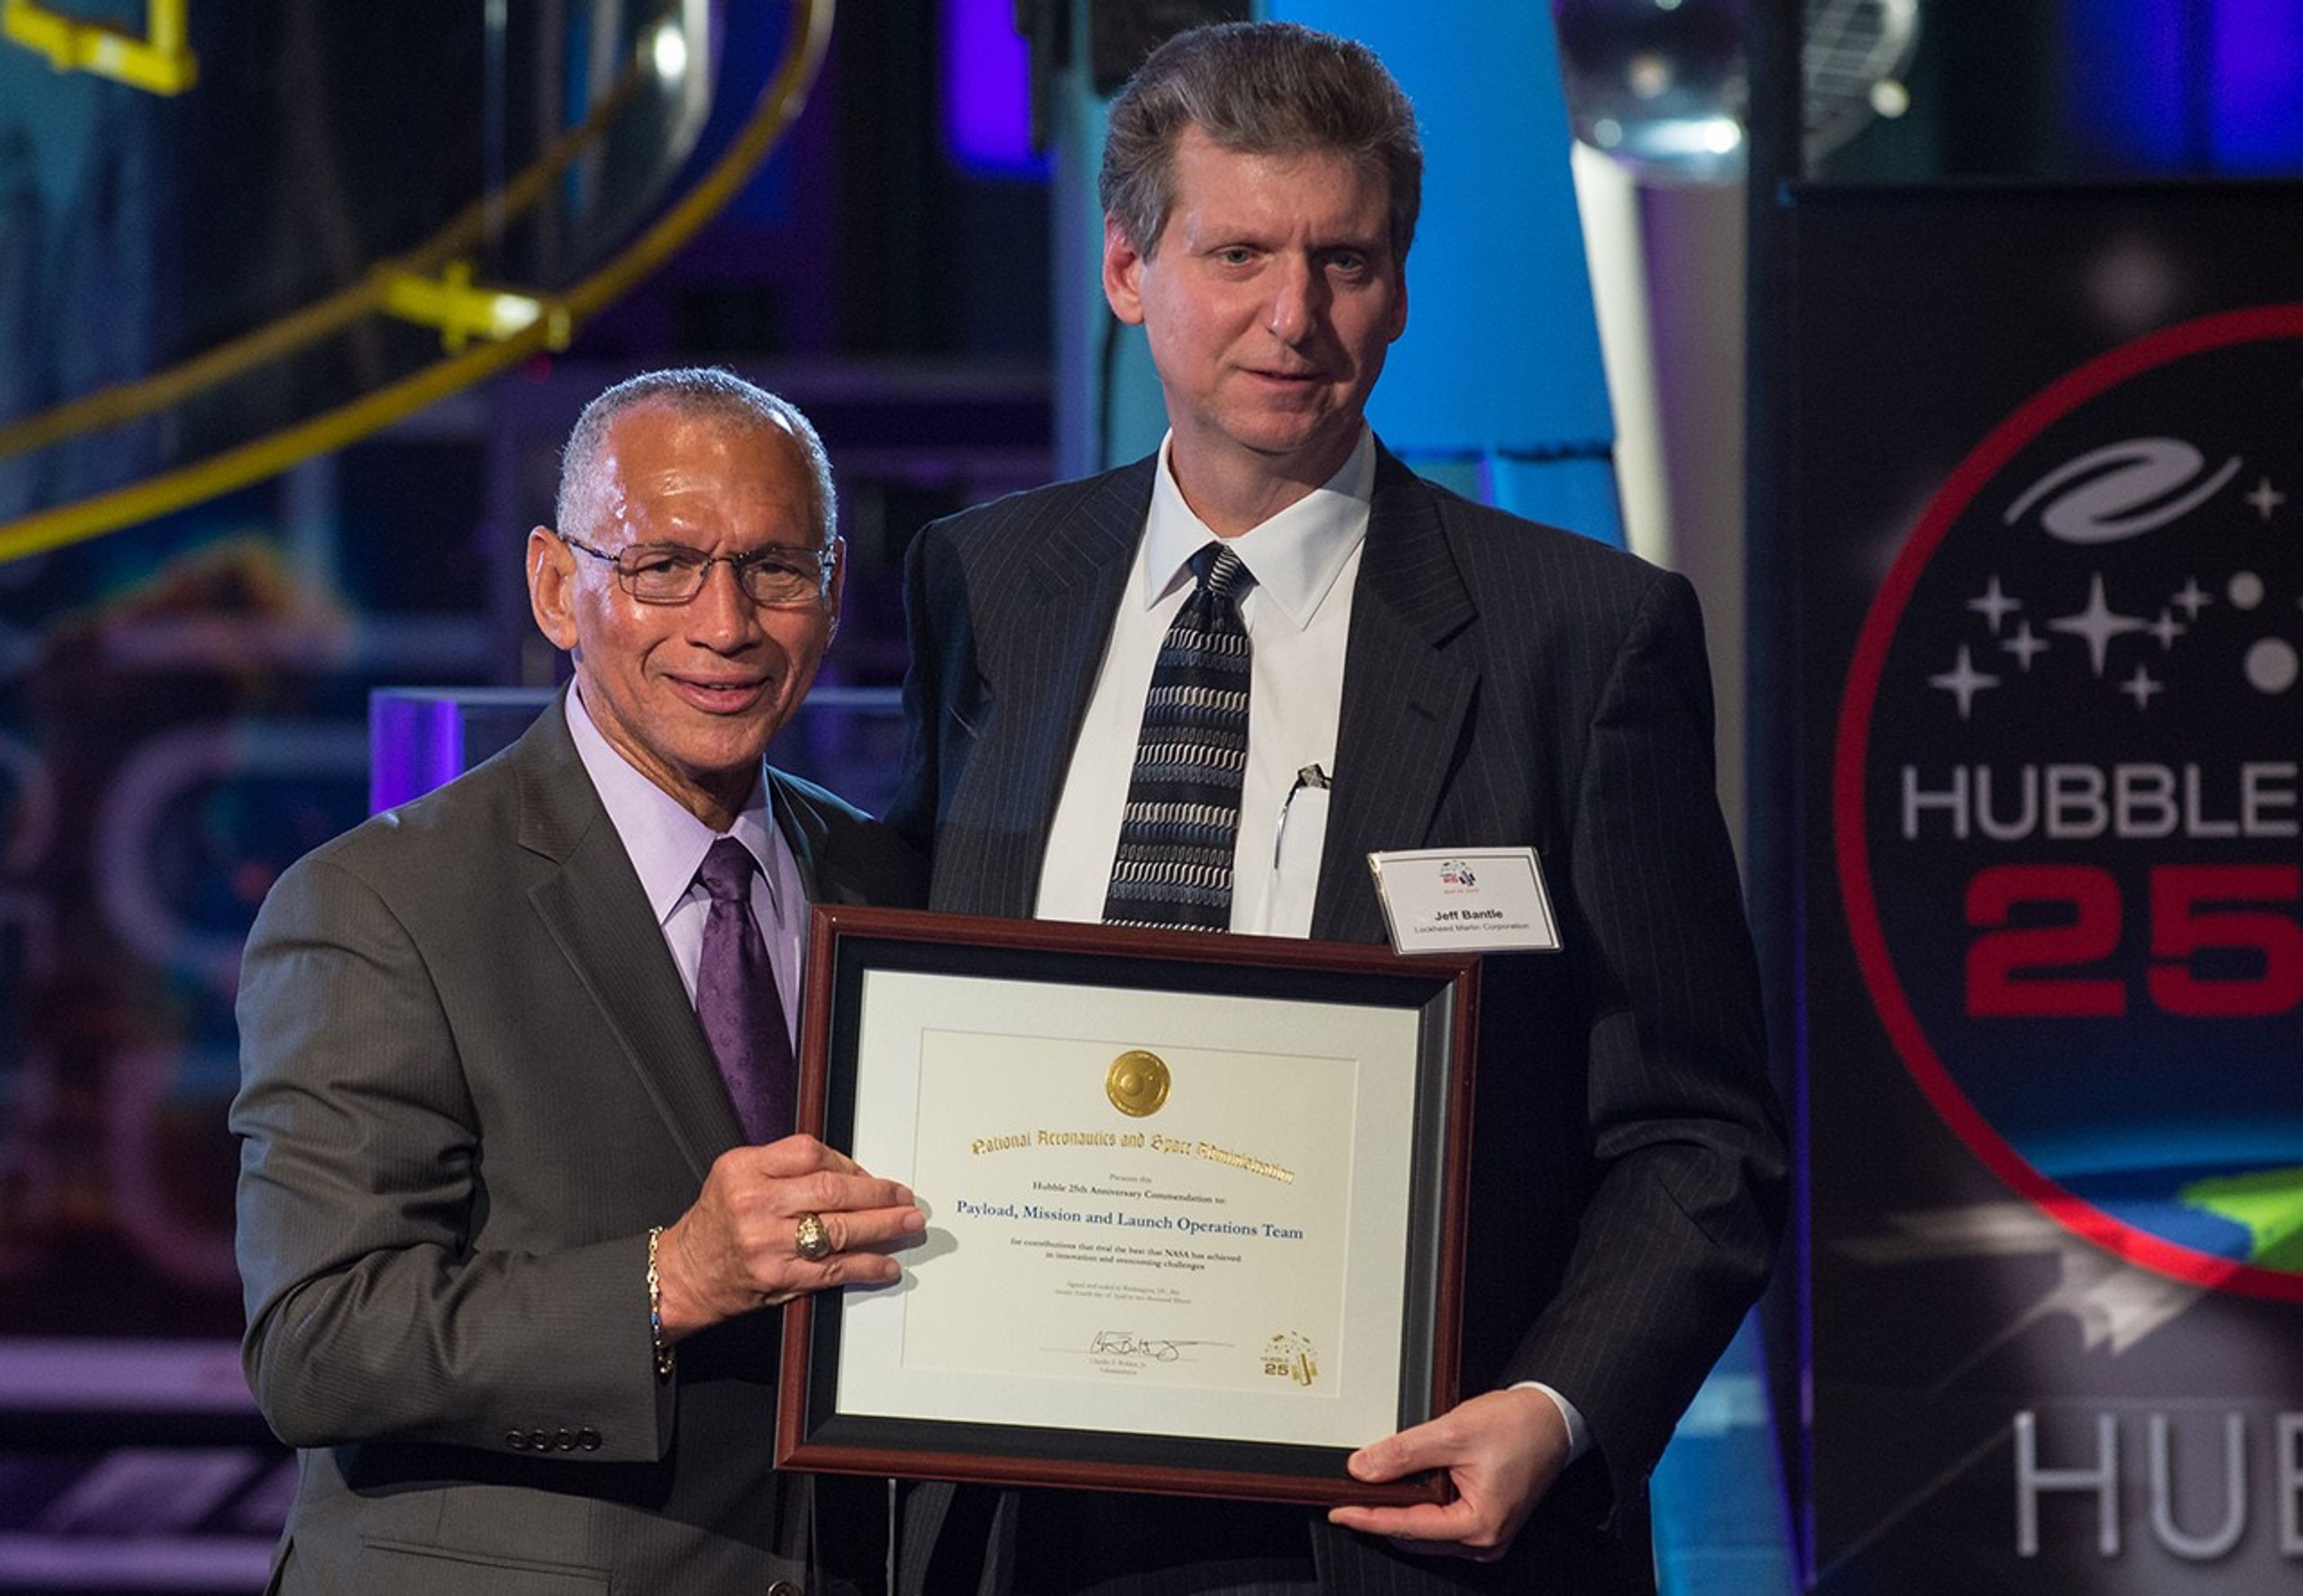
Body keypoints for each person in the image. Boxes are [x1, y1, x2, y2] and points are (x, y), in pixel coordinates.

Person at [887, 21, 1787, 1595]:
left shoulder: (1579, 635)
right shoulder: (986, 584)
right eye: (1238, 251)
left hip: (1404, 1525)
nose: (1295, 316)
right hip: (1021, 1510)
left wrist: (1557, 1407)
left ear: (1402, 283)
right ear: (1127, 269)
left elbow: (1699, 1135)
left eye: (1346, 260)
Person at [233, 367, 928, 1593]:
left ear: (830, 592)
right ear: (559, 587)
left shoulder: (887, 884)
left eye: (776, 568)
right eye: (663, 565)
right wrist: (672, 1279)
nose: (726, 624)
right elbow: (319, 1343)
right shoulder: (377, 905)